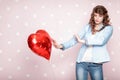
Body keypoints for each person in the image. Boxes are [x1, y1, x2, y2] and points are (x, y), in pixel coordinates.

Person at [52, 5, 113, 80]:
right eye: (95, 15)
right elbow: (75, 39)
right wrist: (61, 46)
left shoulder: (108, 28)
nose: (97, 18)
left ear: (104, 16)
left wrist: (83, 41)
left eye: (100, 16)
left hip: (96, 64)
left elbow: (101, 41)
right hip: (81, 63)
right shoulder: (88, 27)